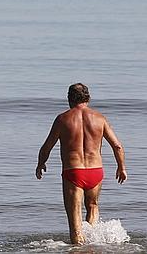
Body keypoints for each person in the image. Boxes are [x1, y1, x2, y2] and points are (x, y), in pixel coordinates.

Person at [36, 83, 127, 245]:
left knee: (75, 220)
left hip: (73, 172)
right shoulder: (100, 118)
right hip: (96, 171)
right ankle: (92, 244)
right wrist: (121, 167)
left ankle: (78, 248)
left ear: (69, 99)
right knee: (92, 206)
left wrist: (41, 164)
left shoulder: (63, 119)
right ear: (88, 98)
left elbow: (46, 147)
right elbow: (117, 146)